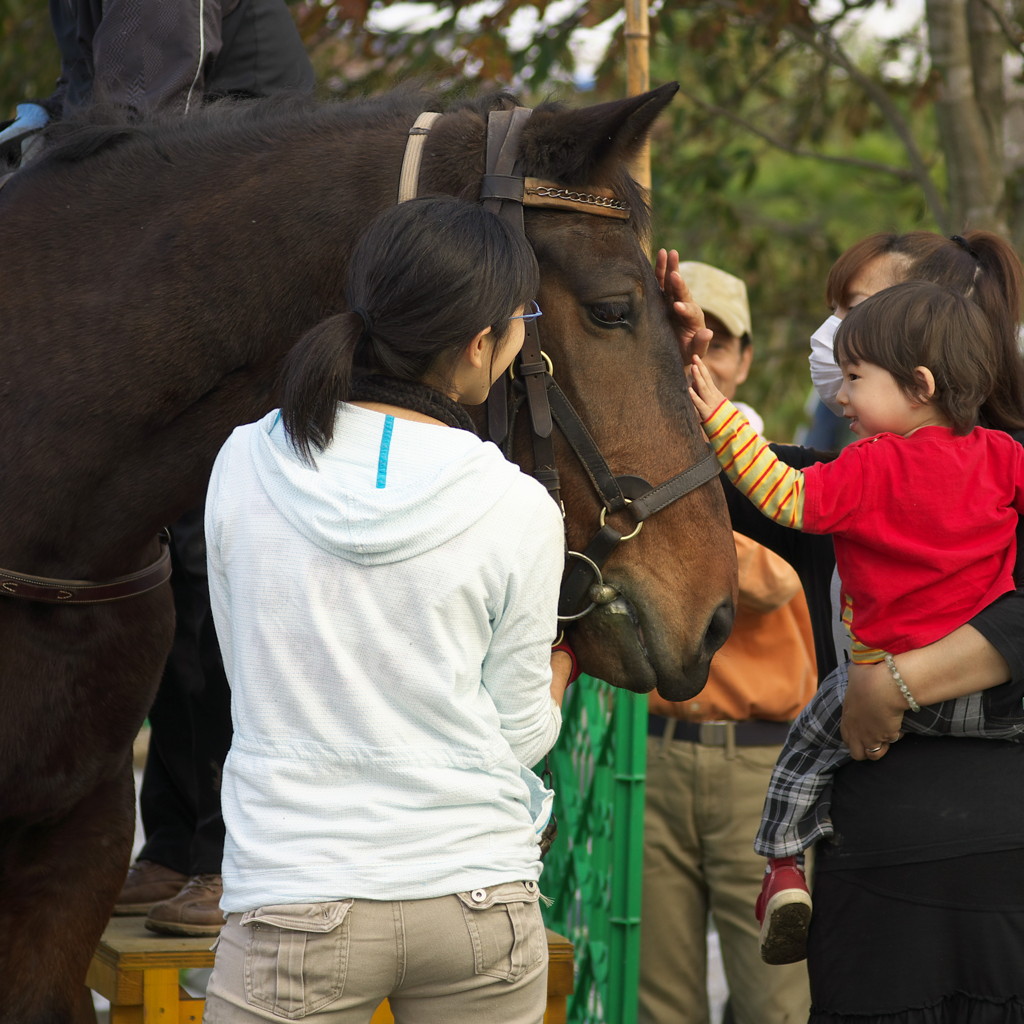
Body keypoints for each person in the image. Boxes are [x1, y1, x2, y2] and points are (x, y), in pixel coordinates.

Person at [201, 196, 575, 1024]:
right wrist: (560, 674)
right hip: (478, 899)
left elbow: (250, 667)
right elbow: (519, 736)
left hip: (295, 899)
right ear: (484, 343)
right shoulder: (517, 506)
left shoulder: (243, 461)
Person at [0, 0, 316, 936]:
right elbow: (91, 99)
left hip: (236, 233)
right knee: (168, 561)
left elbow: (142, 118)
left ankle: (231, 857)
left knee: (212, 573)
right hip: (192, 217)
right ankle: (174, 844)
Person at [660, 230, 1024, 1022]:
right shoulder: (994, 461)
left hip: (983, 862)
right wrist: (667, 366)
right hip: (881, 864)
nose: (834, 348)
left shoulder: (867, 470)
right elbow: (730, 482)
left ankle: (780, 864)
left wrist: (888, 685)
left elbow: (776, 485)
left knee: (801, 756)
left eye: (858, 314)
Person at [638, 262, 815, 1024]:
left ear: (742, 358)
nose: (698, 358)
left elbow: (775, 580)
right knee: (658, 1006)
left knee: (774, 1004)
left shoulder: (769, 466)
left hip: (760, 767)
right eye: (679, 337)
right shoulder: (627, 467)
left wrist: (666, 545)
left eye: (718, 341)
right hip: (652, 759)